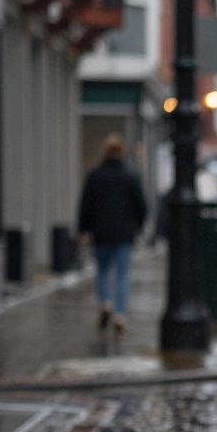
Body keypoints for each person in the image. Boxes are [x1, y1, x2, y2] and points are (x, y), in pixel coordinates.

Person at [78, 134, 148, 333]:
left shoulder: (95, 175)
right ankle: (120, 314)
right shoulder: (130, 176)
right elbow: (141, 206)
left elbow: (86, 205)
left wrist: (83, 229)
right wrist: (138, 226)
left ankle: (106, 302)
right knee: (123, 274)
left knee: (102, 270)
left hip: (101, 232)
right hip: (124, 234)